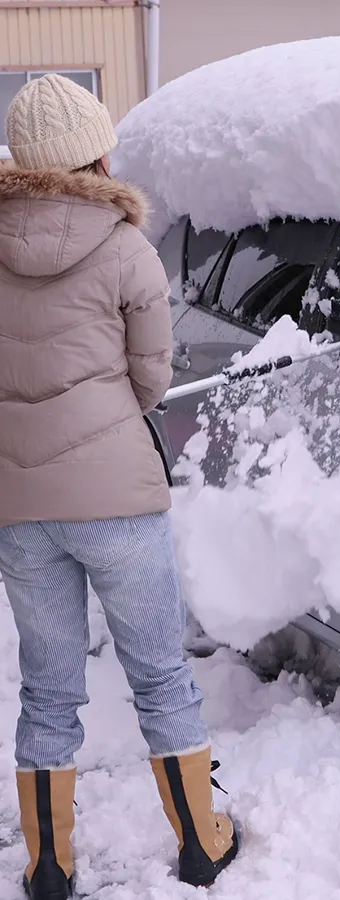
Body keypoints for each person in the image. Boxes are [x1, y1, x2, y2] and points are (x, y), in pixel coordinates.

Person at [0, 75, 238, 899]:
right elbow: (151, 376)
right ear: (97, 153)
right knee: (160, 674)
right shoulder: (126, 247)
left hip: (20, 510)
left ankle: (49, 866)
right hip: (118, 501)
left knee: (48, 686)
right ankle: (202, 842)